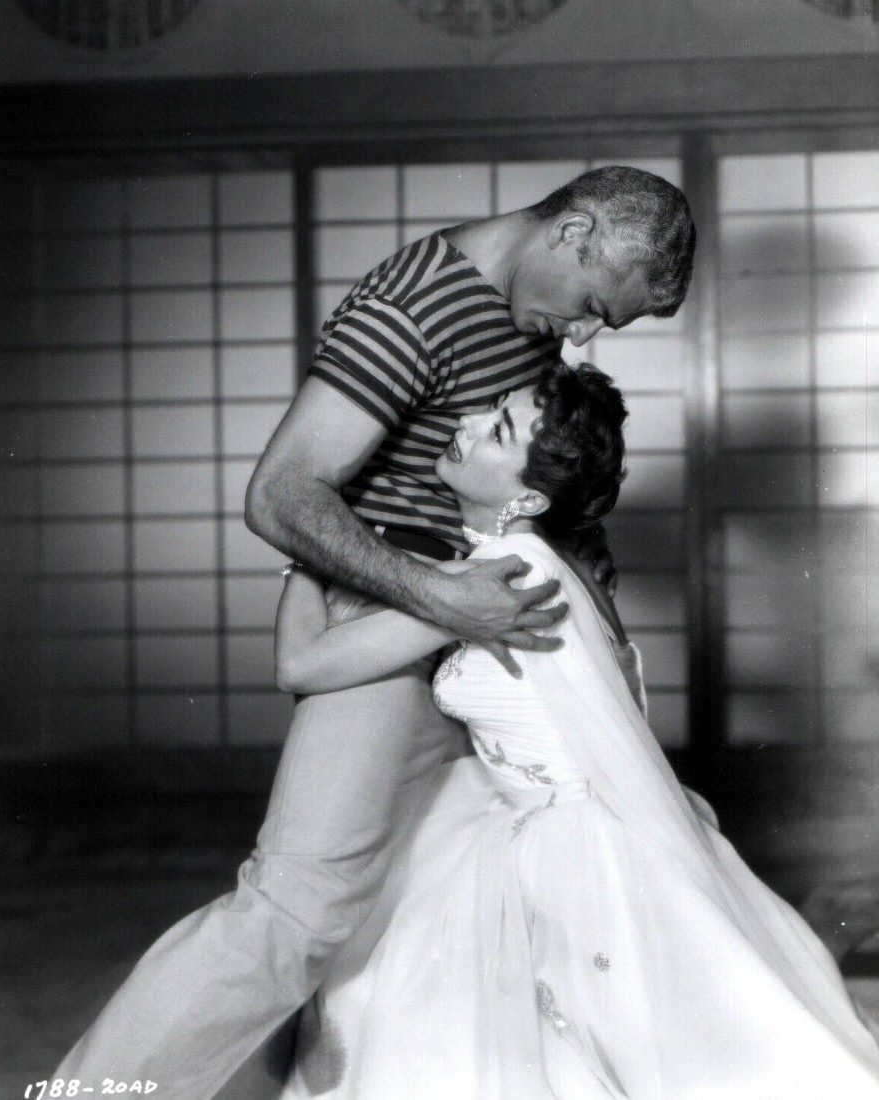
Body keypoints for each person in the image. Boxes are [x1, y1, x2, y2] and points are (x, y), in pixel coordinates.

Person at [54, 167, 695, 1099]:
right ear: (573, 233)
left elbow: (546, 494)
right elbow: (280, 493)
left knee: (435, 914)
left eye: (609, 325)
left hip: (482, 635)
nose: (587, 336)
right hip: (398, 613)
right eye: (594, 306)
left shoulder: (532, 312)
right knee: (296, 912)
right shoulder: (413, 305)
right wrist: (441, 601)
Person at [278, 363, 879, 1100]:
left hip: (571, 850)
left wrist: (308, 536)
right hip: (536, 822)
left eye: (496, 429)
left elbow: (302, 663)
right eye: (490, 408)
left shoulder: (508, 578)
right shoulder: (536, 563)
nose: (464, 424)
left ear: (529, 495)